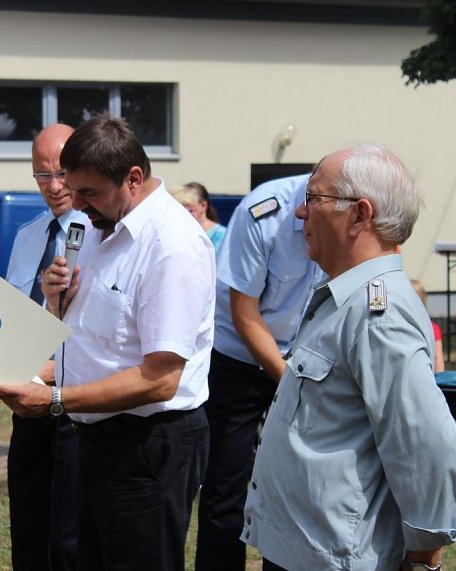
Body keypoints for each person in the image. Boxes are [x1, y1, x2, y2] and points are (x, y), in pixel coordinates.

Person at [0, 115, 215, 571]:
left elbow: (160, 380)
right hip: (96, 439)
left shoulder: (171, 246)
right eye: (71, 188)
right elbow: (98, 336)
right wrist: (56, 301)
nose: (75, 203)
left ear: (132, 178)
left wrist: (55, 399)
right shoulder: (101, 226)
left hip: (146, 445)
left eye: (87, 192)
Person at [242, 145, 456, 571]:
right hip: (307, 553)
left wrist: (424, 557)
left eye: (313, 198)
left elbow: (425, 444)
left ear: (360, 215)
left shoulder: (378, 313)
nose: (300, 213)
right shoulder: (345, 298)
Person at [195, 174, 322, 571]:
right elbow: (244, 312)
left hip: (306, 359)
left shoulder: (353, 209)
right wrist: (288, 381)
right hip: (238, 357)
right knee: (225, 488)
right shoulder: (264, 211)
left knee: (300, 488)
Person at [1, 124, 89, 571]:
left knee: (69, 535)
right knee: (28, 523)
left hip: (76, 400)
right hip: (28, 399)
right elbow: (12, 313)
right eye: (42, 175)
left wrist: (59, 366)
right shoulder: (28, 234)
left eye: (61, 173)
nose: (54, 186)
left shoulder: (101, 235)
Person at [169, 181, 227, 251]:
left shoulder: (220, 234)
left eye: (189, 209)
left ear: (203, 206)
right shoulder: (177, 231)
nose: (183, 213)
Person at [411, 278, 445, 372]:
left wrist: (438, 376)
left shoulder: (432, 329)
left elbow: (437, 359)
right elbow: (438, 359)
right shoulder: (432, 328)